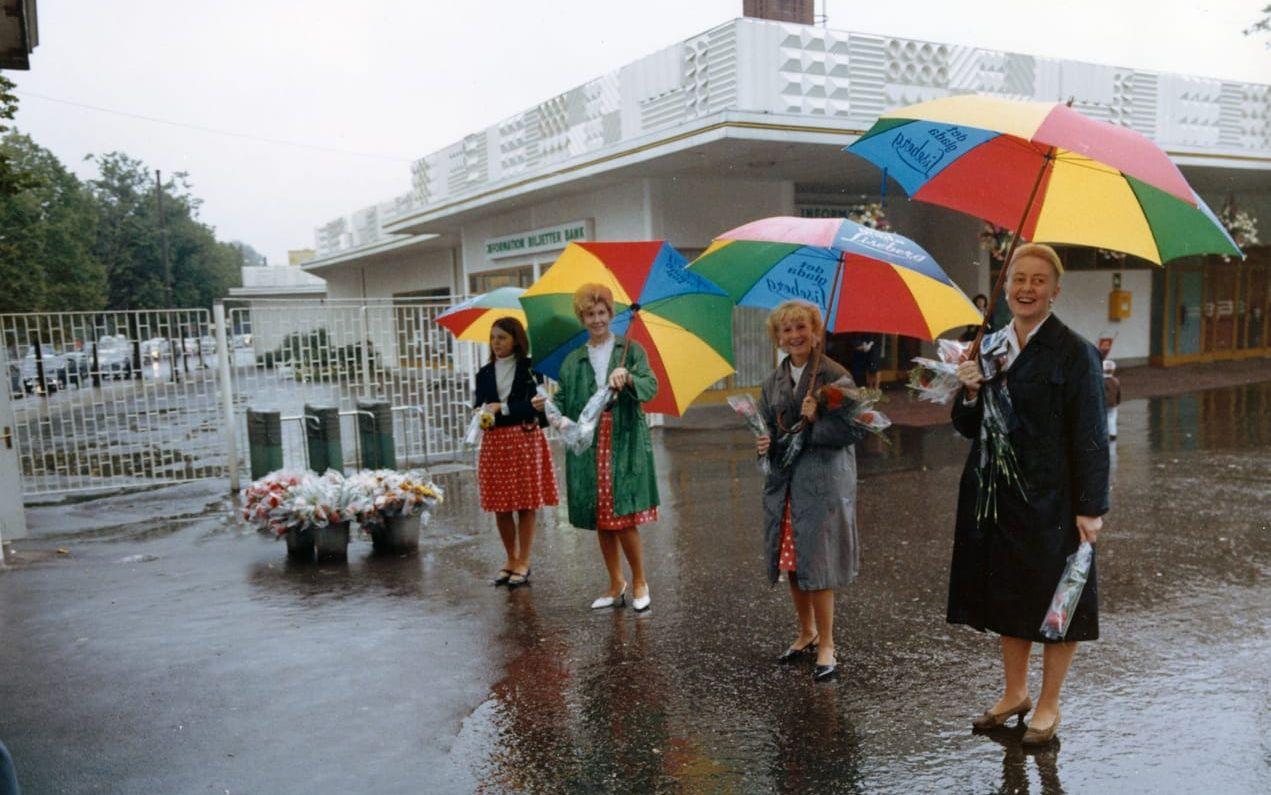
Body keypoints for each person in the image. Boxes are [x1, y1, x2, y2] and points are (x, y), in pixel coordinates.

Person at [950, 243, 1109, 745]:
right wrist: (971, 389)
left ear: (1055, 292)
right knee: (1009, 594)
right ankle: (1014, 692)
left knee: (1058, 600)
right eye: (1019, 278)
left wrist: (1091, 507)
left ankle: (1048, 703)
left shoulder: (1074, 351)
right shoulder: (991, 346)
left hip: (1052, 498)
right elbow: (967, 426)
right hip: (997, 496)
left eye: (1039, 280)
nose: (1026, 288)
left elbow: (1090, 433)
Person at [755, 300, 868, 682]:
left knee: (817, 563)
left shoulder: (834, 375)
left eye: (802, 327)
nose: (794, 336)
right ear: (778, 337)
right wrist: (763, 441)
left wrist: (818, 419)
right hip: (786, 484)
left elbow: (858, 428)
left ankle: (827, 644)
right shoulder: (773, 381)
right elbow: (767, 426)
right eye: (786, 330)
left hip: (821, 484)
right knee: (793, 561)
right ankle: (806, 631)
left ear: (816, 331)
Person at [531, 284, 660, 612]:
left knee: (623, 516)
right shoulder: (574, 360)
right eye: (590, 314)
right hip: (588, 445)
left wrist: (628, 377)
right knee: (601, 518)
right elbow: (562, 400)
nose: (597, 319)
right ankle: (616, 583)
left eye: (602, 313)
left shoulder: (630, 351)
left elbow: (650, 386)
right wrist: (544, 404)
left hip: (623, 441)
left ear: (611, 315)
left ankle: (640, 580)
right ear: (582, 317)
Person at [473, 316, 558, 588]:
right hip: (495, 441)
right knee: (501, 506)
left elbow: (536, 407)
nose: (496, 343)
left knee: (525, 504)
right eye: (493, 337)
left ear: (516, 340)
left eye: (502, 338)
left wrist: (504, 409)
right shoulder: (484, 373)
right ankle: (510, 558)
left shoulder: (531, 370)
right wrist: (481, 412)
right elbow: (480, 405)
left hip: (524, 438)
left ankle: (524, 560)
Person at [1103, 359, 1121, 441]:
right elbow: (1118, 393)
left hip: (1102, 404)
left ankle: (1103, 434)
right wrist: (1118, 402)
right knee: (1112, 418)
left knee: (1102, 419)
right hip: (1113, 404)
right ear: (1113, 370)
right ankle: (1113, 434)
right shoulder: (1116, 381)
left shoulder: (1100, 381)